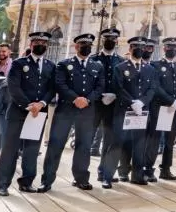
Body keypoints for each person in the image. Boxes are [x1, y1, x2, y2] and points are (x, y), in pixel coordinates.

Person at [38, 33, 105, 192]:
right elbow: (60, 84)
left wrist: (87, 100)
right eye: (82, 44)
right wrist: (76, 99)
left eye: (88, 44)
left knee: (84, 146)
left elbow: (100, 87)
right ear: (76, 46)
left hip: (87, 111)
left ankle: (81, 178)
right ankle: (47, 180)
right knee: (56, 145)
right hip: (66, 110)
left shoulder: (97, 66)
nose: (86, 47)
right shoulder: (64, 64)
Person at [0, 32, 56, 196]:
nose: (40, 44)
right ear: (31, 45)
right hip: (18, 112)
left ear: (47, 45)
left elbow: (51, 88)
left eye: (43, 42)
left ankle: (26, 182)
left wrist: (41, 103)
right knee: (10, 150)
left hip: (38, 114)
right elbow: (14, 87)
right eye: (36, 42)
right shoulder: (19, 64)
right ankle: (2, 184)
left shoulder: (51, 65)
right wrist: (29, 105)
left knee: (31, 150)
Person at [101, 36, 156, 188]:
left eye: (141, 47)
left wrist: (142, 102)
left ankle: (137, 176)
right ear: (130, 49)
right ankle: (107, 176)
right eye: (135, 47)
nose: (139, 50)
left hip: (141, 112)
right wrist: (132, 102)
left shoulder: (150, 69)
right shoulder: (120, 67)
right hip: (124, 111)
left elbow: (152, 89)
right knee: (116, 144)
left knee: (139, 145)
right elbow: (119, 88)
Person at [148, 37, 176, 181]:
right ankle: (148, 168)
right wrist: (171, 100)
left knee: (170, 140)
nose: (172, 50)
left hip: (173, 109)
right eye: (169, 47)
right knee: (154, 140)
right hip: (160, 107)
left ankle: (166, 169)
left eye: (174, 48)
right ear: (164, 49)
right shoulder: (155, 65)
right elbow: (156, 86)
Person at [92, 28, 122, 183]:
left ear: (117, 41)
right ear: (102, 40)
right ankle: (81, 175)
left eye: (113, 39)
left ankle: (104, 172)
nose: (110, 41)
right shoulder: (94, 58)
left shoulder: (121, 60)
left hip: (113, 106)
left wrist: (114, 95)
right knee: (88, 139)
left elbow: (123, 84)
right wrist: (100, 95)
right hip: (96, 105)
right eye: (107, 38)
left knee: (109, 141)